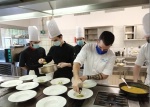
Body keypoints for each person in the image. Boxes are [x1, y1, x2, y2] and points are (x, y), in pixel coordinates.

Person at [133, 13, 150, 85]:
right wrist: (135, 82)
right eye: (147, 37)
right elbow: (137, 66)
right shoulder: (145, 48)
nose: (146, 38)